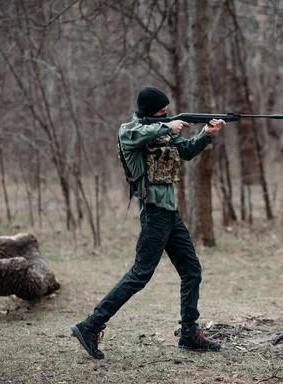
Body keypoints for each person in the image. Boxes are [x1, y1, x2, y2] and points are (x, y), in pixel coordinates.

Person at [71, 86, 225, 359]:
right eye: (161, 112)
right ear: (149, 112)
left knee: (191, 271)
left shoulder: (163, 130)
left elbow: (186, 151)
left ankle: (188, 332)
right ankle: (91, 325)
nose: (166, 115)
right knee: (140, 275)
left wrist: (205, 135)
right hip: (154, 212)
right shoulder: (130, 130)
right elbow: (136, 135)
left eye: (167, 112)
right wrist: (168, 126)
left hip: (170, 212)